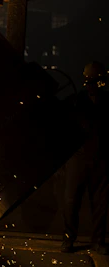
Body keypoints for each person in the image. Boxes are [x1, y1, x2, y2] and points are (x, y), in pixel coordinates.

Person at [61, 61, 109, 254]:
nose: (93, 86)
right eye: (91, 82)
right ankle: (68, 239)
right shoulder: (76, 101)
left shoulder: (107, 101)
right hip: (78, 158)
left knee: (100, 204)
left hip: (101, 159)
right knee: (71, 202)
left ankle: (98, 241)